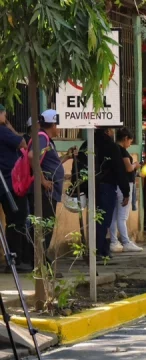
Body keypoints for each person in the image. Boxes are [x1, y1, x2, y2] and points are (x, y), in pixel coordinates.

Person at [32, 110, 72, 261]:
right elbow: (32, 157)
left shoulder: (48, 140)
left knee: (47, 226)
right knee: (45, 227)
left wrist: (67, 156)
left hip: (50, 190)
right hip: (44, 190)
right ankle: (40, 261)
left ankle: (42, 259)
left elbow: (51, 163)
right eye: (58, 125)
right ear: (53, 124)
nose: (59, 129)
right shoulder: (42, 138)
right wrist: (42, 180)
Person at [0, 104, 33, 272]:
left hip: (6, 183)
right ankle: (16, 259)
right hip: (10, 184)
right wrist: (9, 126)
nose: (5, 116)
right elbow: (23, 143)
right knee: (17, 220)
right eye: (4, 113)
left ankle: (14, 258)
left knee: (13, 221)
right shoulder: (3, 131)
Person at [94, 127, 131, 259]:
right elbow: (119, 170)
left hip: (92, 187)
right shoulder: (111, 146)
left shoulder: (88, 144)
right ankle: (99, 250)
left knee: (95, 219)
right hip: (106, 186)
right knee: (103, 220)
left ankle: (102, 249)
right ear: (108, 131)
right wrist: (126, 191)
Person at [110, 128, 143, 253]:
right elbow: (128, 168)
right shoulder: (122, 151)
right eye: (130, 141)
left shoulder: (114, 149)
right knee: (122, 215)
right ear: (125, 139)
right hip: (124, 185)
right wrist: (135, 165)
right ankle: (125, 241)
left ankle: (113, 241)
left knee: (114, 215)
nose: (130, 144)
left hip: (117, 184)